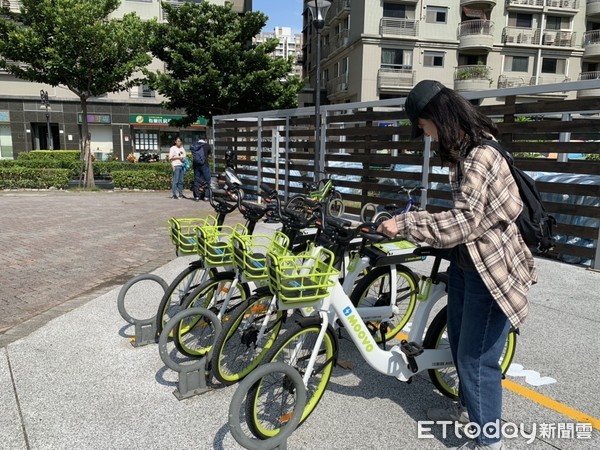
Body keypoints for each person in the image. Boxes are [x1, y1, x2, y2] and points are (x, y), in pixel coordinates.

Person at [377, 80, 537, 450]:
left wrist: (406, 223)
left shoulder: (481, 155)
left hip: (490, 271)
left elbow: (463, 222)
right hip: (468, 266)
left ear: (437, 117)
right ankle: (472, 414)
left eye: (423, 126)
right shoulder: (467, 150)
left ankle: (488, 440)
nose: (426, 135)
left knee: (476, 360)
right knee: (462, 346)